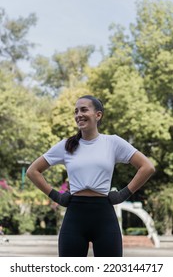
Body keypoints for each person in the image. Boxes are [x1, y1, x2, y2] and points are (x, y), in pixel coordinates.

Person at [26, 95, 155, 257]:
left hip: (104, 217)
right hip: (75, 217)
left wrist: (124, 193)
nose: (78, 114)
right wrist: (56, 196)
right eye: (76, 111)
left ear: (98, 115)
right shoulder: (66, 145)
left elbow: (147, 167)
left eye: (84, 109)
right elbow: (33, 171)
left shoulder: (112, 142)